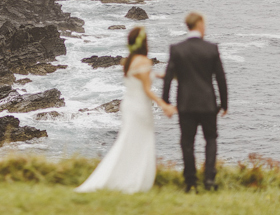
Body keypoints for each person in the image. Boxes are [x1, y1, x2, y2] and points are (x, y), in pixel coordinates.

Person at [76, 27, 177, 194]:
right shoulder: (143, 61)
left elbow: (142, 77)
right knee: (140, 141)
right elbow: (147, 89)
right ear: (144, 43)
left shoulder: (129, 61)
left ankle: (120, 177)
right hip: (140, 107)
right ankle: (133, 180)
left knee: (128, 140)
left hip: (129, 105)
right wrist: (164, 104)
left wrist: (162, 76)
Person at [162, 12, 228, 193]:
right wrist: (224, 104)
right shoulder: (212, 48)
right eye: (204, 24)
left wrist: (166, 101)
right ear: (199, 24)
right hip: (208, 104)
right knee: (211, 139)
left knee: (187, 142)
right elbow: (221, 79)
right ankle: (209, 179)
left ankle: (190, 182)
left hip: (186, 104)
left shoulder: (177, 49)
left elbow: (168, 78)